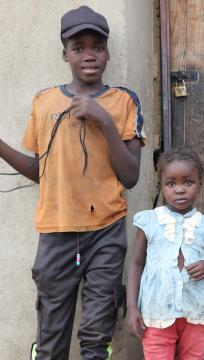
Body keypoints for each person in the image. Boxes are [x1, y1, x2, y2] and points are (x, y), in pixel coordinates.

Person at [0, 5, 145, 359]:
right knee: (50, 341)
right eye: (78, 47)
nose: (89, 55)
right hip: (56, 231)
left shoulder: (123, 101)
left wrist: (105, 122)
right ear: (65, 53)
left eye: (97, 46)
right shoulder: (45, 101)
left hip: (105, 232)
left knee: (96, 336)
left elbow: (131, 175)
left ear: (108, 53)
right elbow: (39, 171)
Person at [127, 147, 204, 360]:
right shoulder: (149, 222)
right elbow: (136, 264)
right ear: (161, 186)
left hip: (196, 312)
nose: (179, 189)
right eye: (171, 183)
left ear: (200, 185)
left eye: (187, 182)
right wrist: (132, 307)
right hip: (157, 311)